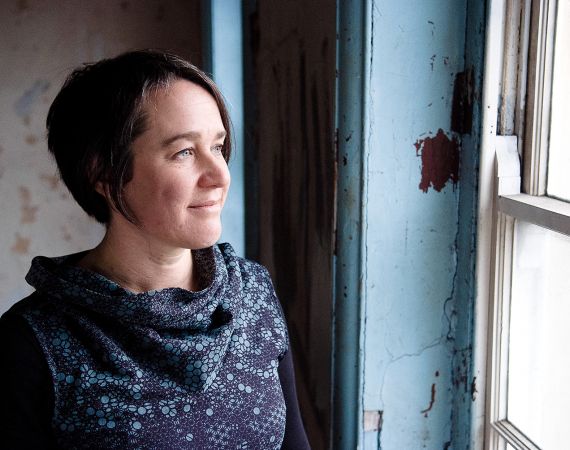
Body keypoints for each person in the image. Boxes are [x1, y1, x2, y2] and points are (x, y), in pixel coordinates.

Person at [0, 50, 310, 450]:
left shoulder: (252, 293)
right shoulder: (29, 345)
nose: (220, 176)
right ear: (103, 173)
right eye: (184, 152)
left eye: (217, 147)